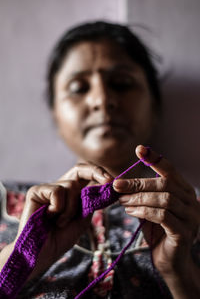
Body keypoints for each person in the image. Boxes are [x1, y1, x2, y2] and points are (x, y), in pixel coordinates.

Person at [0, 21, 200, 299]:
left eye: (122, 84)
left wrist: (179, 272)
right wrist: (22, 260)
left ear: (155, 108)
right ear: (56, 116)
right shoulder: (6, 205)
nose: (103, 100)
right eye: (79, 87)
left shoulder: (190, 212)